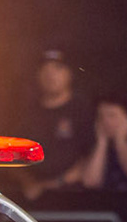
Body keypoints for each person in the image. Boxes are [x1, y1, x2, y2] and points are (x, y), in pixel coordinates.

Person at [17, 49, 95, 197]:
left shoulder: (82, 110)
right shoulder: (27, 112)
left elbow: (91, 155)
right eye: (45, 69)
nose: (50, 75)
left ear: (69, 73)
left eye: (57, 68)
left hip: (74, 195)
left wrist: (56, 183)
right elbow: (13, 155)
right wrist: (27, 182)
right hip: (31, 196)